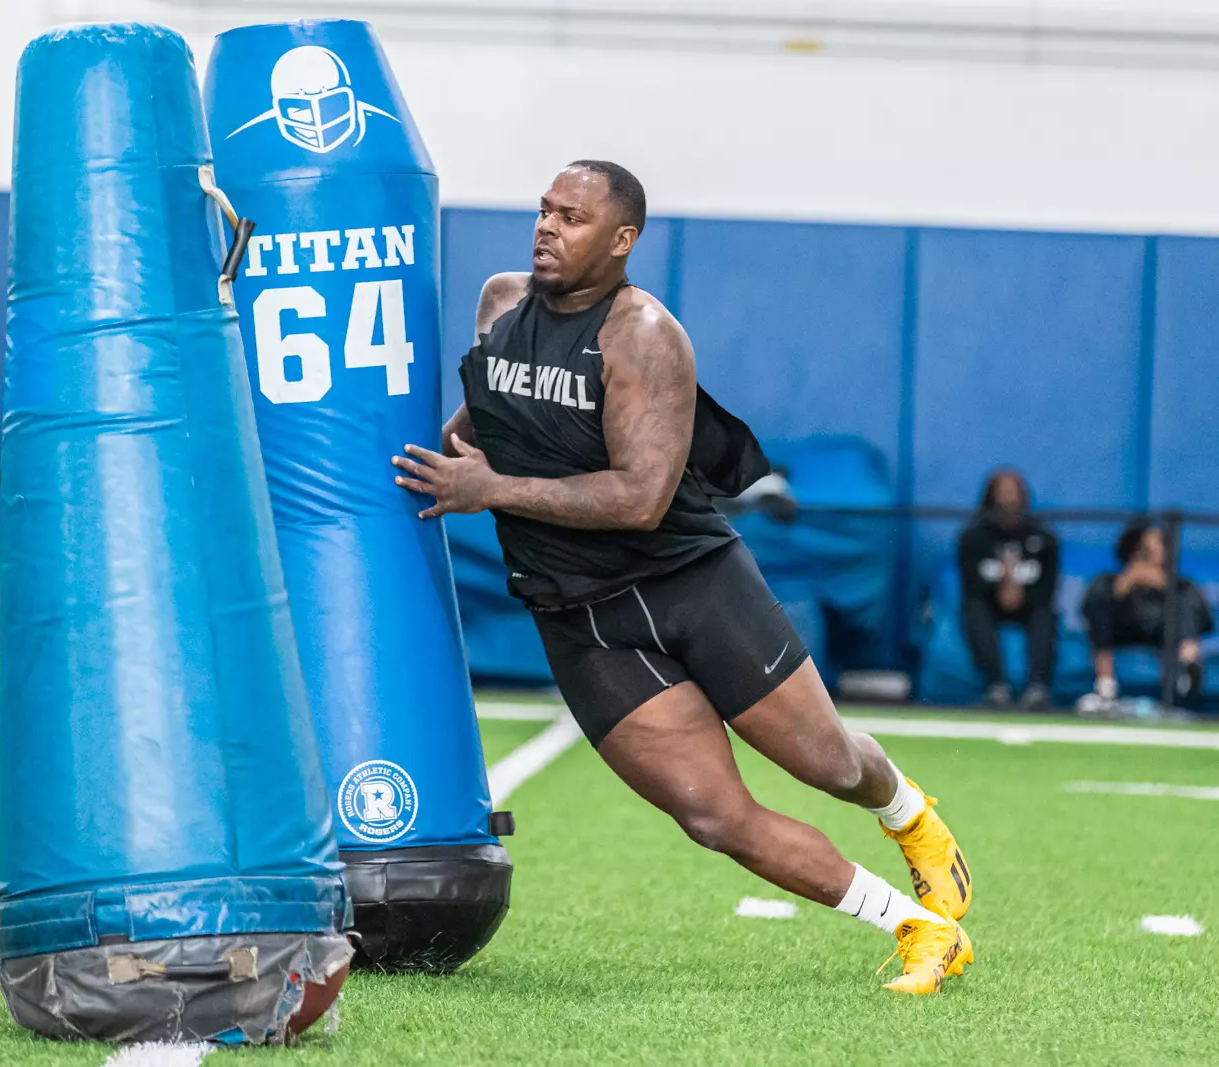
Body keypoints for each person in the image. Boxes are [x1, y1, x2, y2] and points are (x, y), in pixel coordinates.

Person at [393, 161, 973, 994]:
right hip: (574, 614)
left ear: (622, 239)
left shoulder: (646, 337)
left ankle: (908, 816)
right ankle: (916, 927)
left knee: (829, 761)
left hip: (689, 585)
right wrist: (466, 442)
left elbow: (638, 497)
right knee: (711, 816)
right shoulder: (499, 301)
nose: (547, 227)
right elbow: (489, 406)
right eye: (545, 210)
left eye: (573, 217)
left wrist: (491, 489)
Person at [1079, 519, 1213, 711]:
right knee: (1101, 600)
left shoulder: (1181, 586)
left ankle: (1187, 674)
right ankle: (1105, 688)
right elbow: (1086, 611)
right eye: (1143, 550)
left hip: (1163, 632)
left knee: (1185, 600)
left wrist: (1167, 588)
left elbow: (1206, 621)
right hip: (1122, 628)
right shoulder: (1107, 582)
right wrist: (1121, 587)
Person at [957, 469, 1058, 709]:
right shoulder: (973, 538)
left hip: (1030, 603)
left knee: (1045, 613)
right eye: (1002, 492)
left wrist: (1017, 591)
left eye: (1013, 492)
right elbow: (971, 586)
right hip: (989, 602)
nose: (1008, 499)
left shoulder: (1043, 538)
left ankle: (1037, 688)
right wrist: (1002, 586)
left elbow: (1048, 587)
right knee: (974, 610)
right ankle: (996, 685)